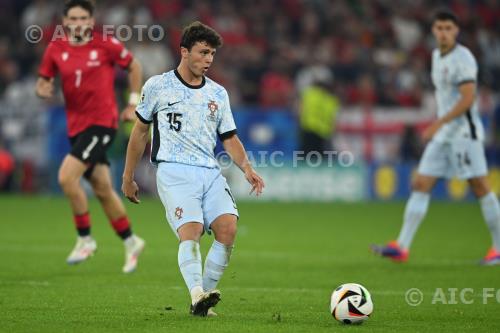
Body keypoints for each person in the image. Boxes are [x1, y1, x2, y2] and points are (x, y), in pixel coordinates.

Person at [122, 21, 265, 316]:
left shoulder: (218, 94)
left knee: (228, 228)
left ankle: (202, 298)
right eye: (203, 52)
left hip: (209, 171)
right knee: (192, 230)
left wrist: (246, 168)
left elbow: (229, 138)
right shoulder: (158, 86)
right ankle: (197, 291)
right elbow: (139, 132)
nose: (209, 59)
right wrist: (128, 177)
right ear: (184, 51)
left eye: (212, 53)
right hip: (174, 171)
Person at [371, 10, 500, 265]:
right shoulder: (435, 56)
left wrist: (436, 123)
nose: (443, 32)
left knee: (480, 187)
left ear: (456, 31)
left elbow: (467, 99)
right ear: (433, 30)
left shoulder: (463, 59)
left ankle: (498, 248)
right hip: (444, 134)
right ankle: (402, 247)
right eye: (439, 28)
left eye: (448, 28)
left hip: (464, 133)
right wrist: (439, 127)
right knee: (420, 183)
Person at [36, 0, 145, 273]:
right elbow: (44, 80)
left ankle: (85, 239)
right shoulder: (55, 49)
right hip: (77, 128)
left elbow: (134, 66)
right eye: (72, 18)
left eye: (83, 18)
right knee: (102, 189)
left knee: (66, 177)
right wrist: (43, 89)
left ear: (91, 20)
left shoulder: (105, 45)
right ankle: (131, 241)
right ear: (64, 22)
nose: (78, 23)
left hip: (103, 124)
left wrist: (132, 103)